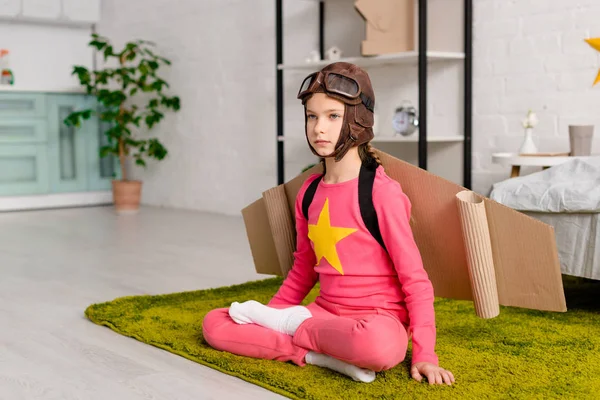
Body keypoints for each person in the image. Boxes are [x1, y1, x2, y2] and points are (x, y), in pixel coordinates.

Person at [202, 62, 455, 385]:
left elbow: (416, 281)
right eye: (312, 116)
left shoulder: (382, 194)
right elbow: (303, 269)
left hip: (376, 321)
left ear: (358, 120)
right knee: (215, 324)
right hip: (324, 315)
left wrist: (424, 356)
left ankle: (300, 337)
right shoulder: (308, 193)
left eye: (333, 116)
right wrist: (272, 314)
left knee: (381, 349)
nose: (319, 128)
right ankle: (318, 356)